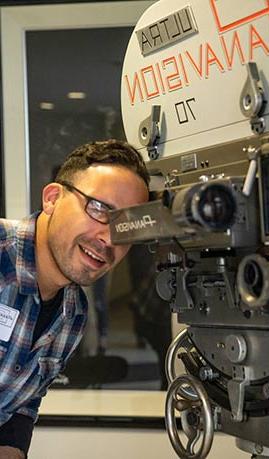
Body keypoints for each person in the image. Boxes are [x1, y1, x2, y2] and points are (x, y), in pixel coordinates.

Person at [0, 140, 149, 458]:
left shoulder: (74, 314)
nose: (109, 238)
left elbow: (22, 401)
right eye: (99, 209)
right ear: (52, 198)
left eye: (126, 228)